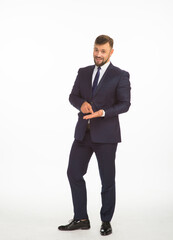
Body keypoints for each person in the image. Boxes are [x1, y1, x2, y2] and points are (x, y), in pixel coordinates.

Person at [58, 35, 131, 236]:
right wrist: (80, 103)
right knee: (73, 172)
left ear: (111, 52)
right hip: (83, 134)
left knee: (107, 180)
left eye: (103, 51)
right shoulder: (83, 72)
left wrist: (103, 112)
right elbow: (72, 96)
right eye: (96, 50)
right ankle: (81, 218)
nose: (98, 54)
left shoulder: (120, 75)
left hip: (106, 136)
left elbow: (125, 104)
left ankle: (106, 220)